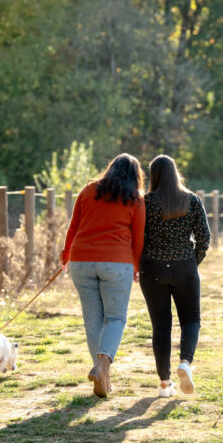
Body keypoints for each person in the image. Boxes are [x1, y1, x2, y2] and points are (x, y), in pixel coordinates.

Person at [61, 153, 145, 398]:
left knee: (92, 319)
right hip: (116, 263)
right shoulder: (135, 199)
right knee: (116, 318)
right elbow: (138, 238)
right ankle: (102, 368)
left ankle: (102, 375)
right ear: (135, 176)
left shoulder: (88, 191)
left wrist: (66, 255)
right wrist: (136, 266)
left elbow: (73, 226)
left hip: (81, 261)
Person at [139, 154, 210, 398]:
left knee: (161, 325)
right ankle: (185, 363)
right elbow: (204, 238)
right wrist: (192, 262)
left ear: (154, 175)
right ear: (175, 173)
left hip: (153, 268)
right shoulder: (191, 200)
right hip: (184, 268)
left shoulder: (144, 203)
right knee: (191, 320)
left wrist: (140, 263)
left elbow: (136, 237)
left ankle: (164, 384)